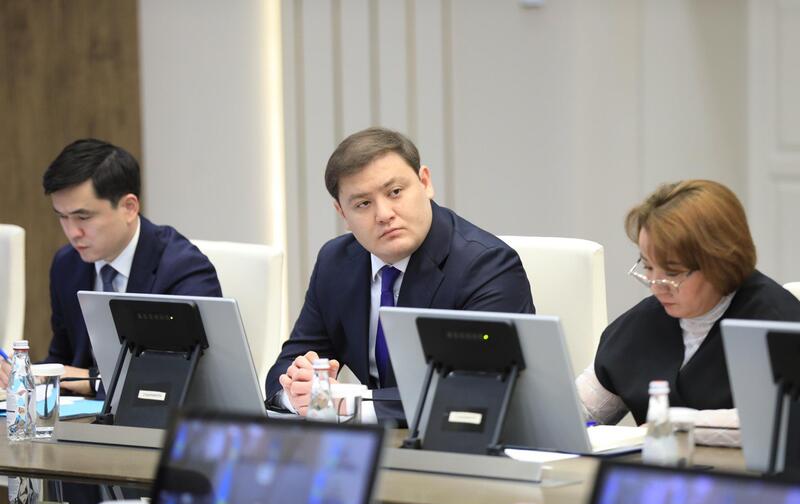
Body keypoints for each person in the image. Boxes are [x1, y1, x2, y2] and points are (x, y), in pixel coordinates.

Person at [265, 127, 534, 421]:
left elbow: (473, 390)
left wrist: (346, 402)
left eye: (395, 192)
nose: (384, 214)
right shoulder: (336, 263)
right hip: (375, 442)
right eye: (363, 204)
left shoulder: (487, 266)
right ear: (342, 213)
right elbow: (286, 368)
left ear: (425, 183)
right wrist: (298, 390)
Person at [577, 179, 800, 442]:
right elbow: (578, 411)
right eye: (648, 267)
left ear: (721, 262)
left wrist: (677, 424)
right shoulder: (644, 322)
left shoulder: (777, 322)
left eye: (672, 272)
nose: (656, 286)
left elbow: (777, 422)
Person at [0, 139, 222, 396]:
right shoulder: (67, 264)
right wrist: (19, 374)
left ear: (129, 207)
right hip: (85, 414)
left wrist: (89, 380)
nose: (73, 232)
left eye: (83, 217)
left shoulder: (183, 269)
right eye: (62, 217)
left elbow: (180, 378)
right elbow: (61, 360)